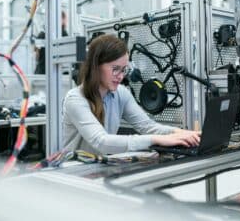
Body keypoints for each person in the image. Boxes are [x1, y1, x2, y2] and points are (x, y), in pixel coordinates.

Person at [62, 34, 200, 155]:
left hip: (98, 167)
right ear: (96, 66)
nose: (121, 76)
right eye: (115, 69)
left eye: (124, 70)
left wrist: (181, 133)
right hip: (74, 172)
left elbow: (147, 126)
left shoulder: (121, 93)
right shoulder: (75, 99)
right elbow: (102, 142)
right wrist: (156, 139)